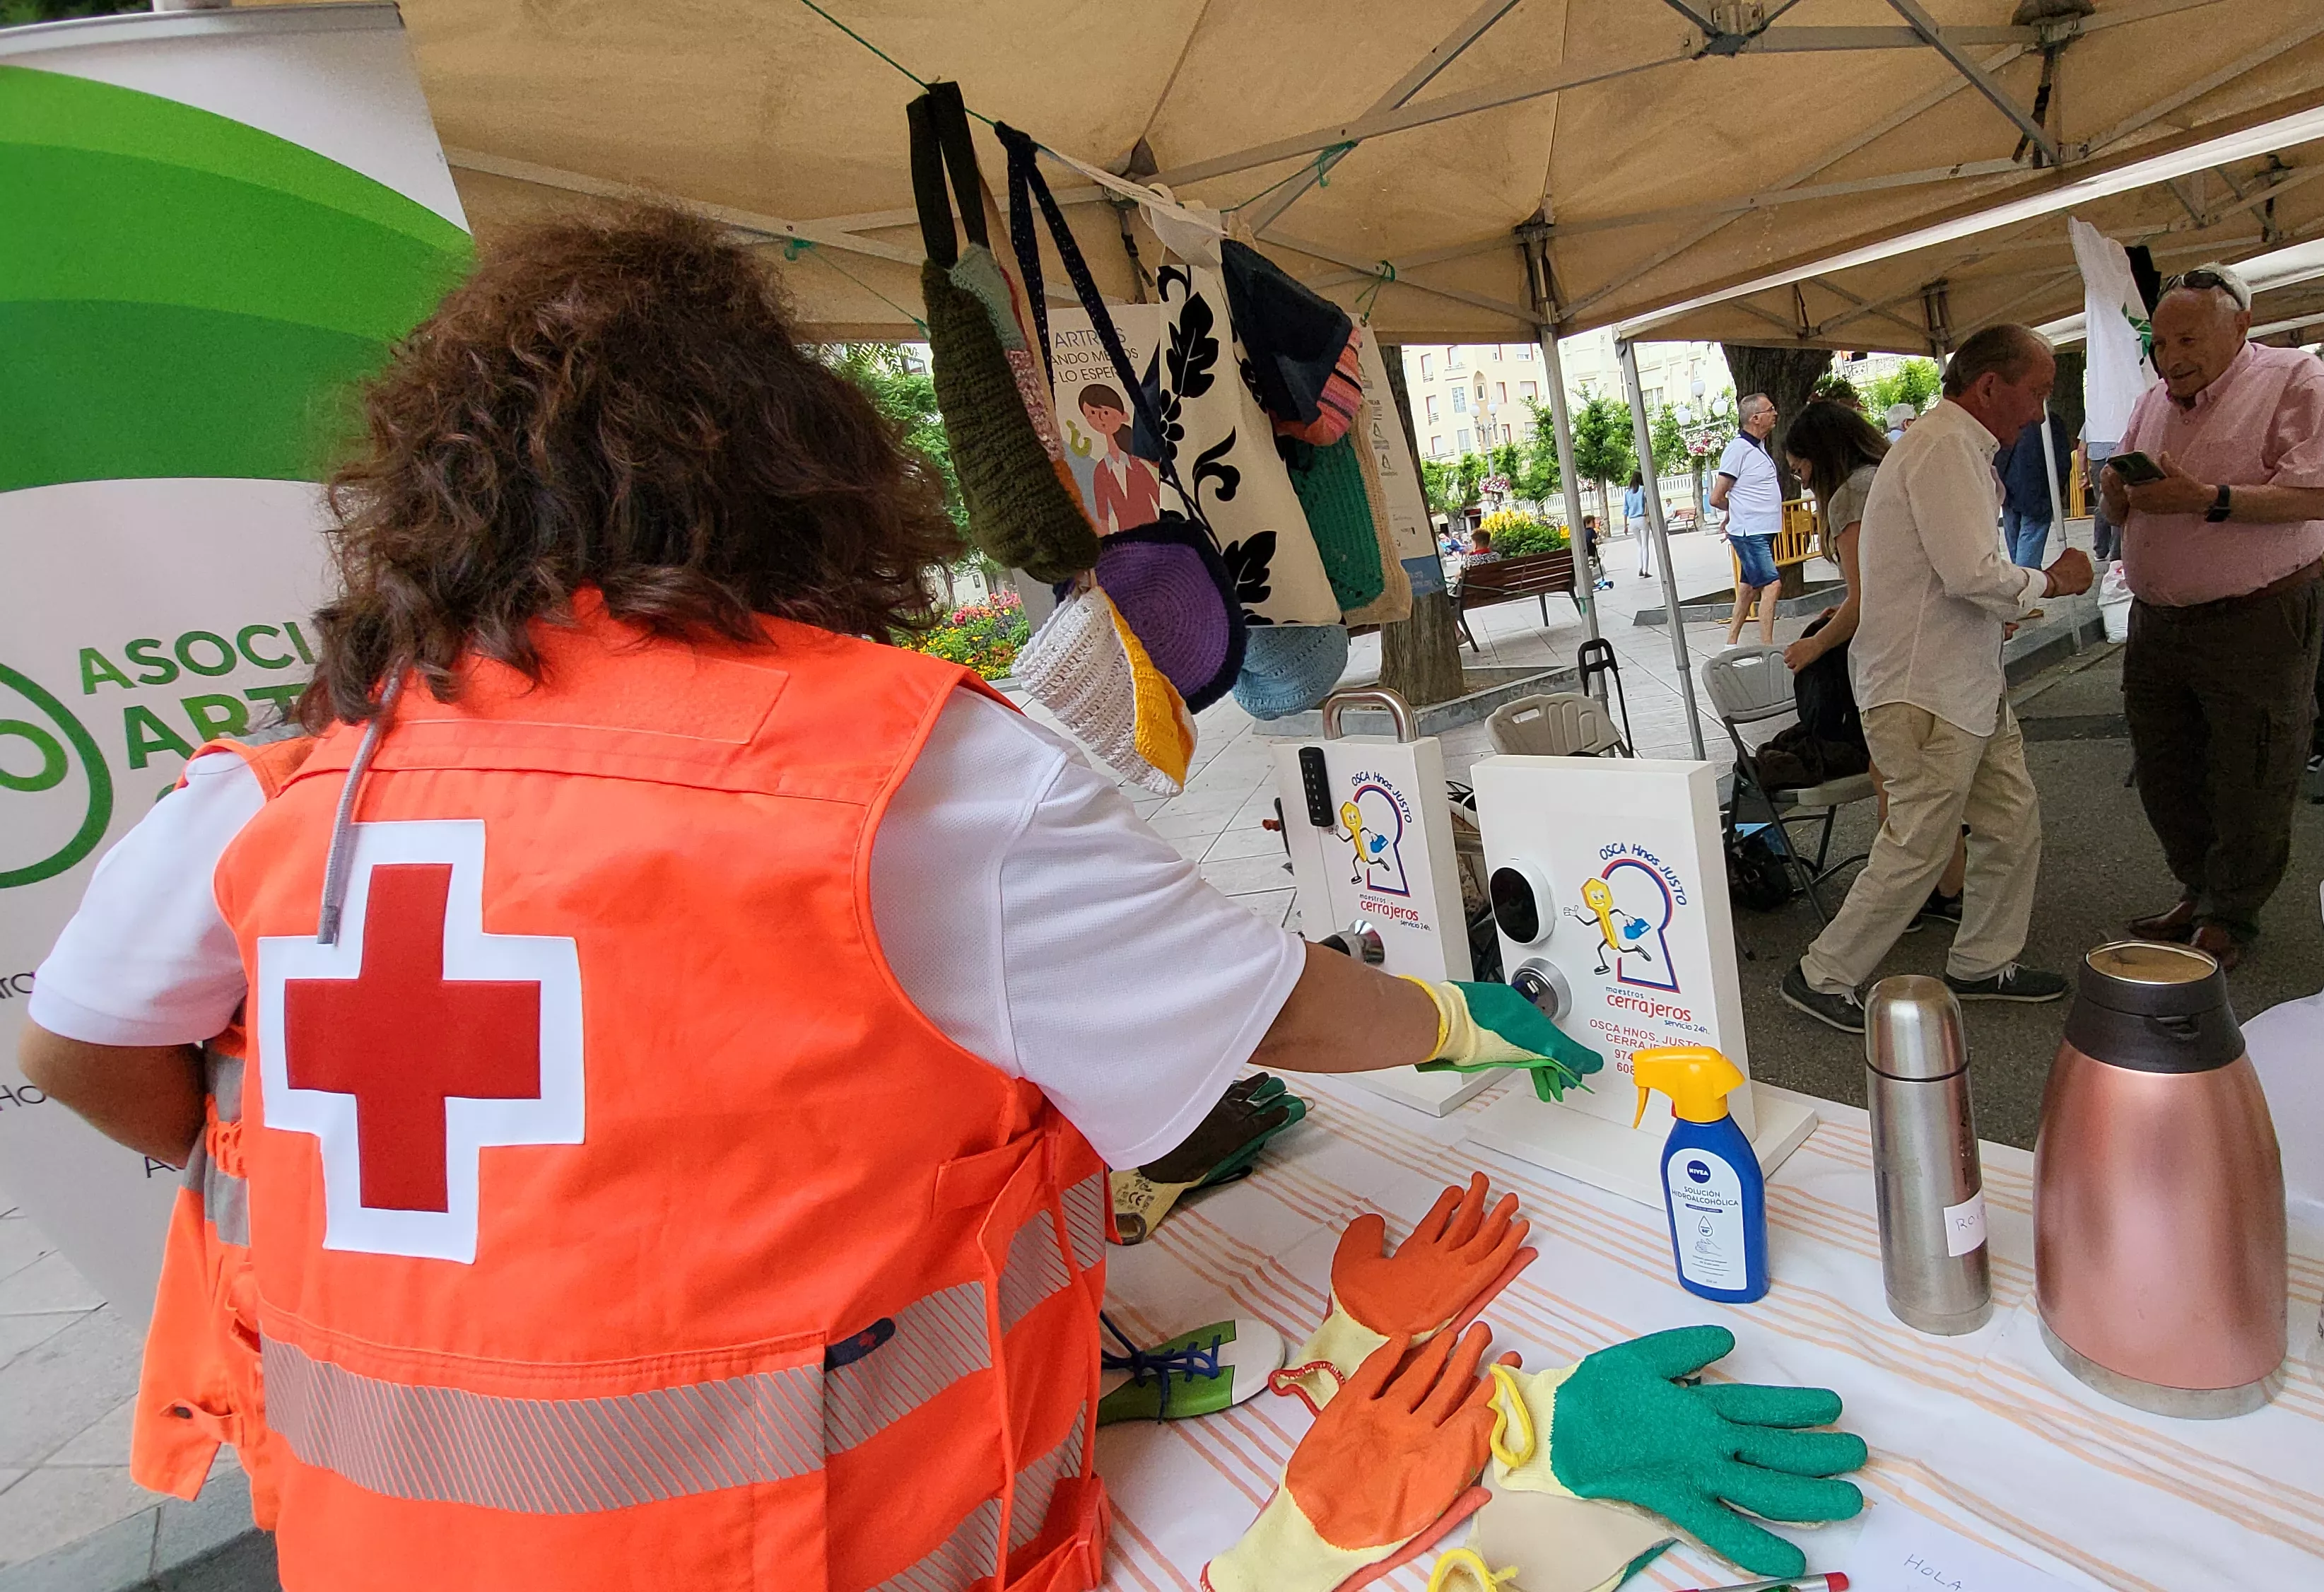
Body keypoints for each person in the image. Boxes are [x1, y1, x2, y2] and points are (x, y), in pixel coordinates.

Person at [14, 209, 1599, 1592]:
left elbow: (75, 1047)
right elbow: (1277, 1006)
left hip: (372, 1550)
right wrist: (1453, 1012)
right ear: (794, 470)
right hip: (818, 1545)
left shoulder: (286, 785)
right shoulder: (909, 773)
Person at [1779, 325, 2094, 1033]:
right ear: (1989, 386)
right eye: (2036, 391)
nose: (2040, 411)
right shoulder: (1944, 446)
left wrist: (2010, 604)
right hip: (1926, 688)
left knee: (2009, 818)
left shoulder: (1946, 447)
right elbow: (1970, 572)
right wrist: (2051, 579)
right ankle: (1821, 973)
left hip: (1957, 681)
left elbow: (1947, 576)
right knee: (1921, 839)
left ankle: (1983, 960)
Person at [2099, 263, 2324, 972]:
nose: (2170, 354)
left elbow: (2314, 495)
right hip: (2158, 619)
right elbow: (2122, 507)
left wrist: (2206, 497)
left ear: (2239, 325)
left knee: (2253, 765)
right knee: (2165, 765)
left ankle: (2231, 911)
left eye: (2187, 338)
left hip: (2255, 614)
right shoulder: (2151, 401)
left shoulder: (2296, 378)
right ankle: (2197, 887)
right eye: (2161, 341)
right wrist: (2116, 490)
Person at [1782, 401, 1967, 922]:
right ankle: (1950, 889)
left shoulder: (1852, 497)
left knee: (1896, 782)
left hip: (1897, 663)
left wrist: (1816, 644)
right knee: (1933, 788)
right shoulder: (1892, 473)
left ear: (1819, 456)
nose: (1801, 481)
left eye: (1800, 469)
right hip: (1942, 651)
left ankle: (1907, 901)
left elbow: (1870, 601)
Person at [1711, 392, 1784, 645]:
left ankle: (1730, 643)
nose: (1775, 413)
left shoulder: (1758, 447)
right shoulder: (1738, 449)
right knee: (1772, 586)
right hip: (1750, 532)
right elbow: (1716, 496)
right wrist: (1735, 511)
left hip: (1762, 529)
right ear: (1755, 418)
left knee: (1747, 589)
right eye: (1770, 409)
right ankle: (1767, 647)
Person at [1075, 382, 1158, 533]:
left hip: (1155, 535)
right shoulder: (1100, 471)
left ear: (1123, 415)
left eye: (1105, 413)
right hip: (1125, 542)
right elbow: (1103, 516)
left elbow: (1159, 497)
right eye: (1092, 414)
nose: (1100, 419)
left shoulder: (1140, 463)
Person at [1999, 416, 2068, 568]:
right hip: (2038, 491)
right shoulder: (2050, 422)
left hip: (2009, 489)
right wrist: (2058, 489)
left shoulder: (2007, 419)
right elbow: (2062, 461)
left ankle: (2019, 581)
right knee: (2029, 544)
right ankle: (2024, 584)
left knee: (2016, 544)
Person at [1625, 469, 1656, 578]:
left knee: (1639, 545)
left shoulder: (1628, 493)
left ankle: (1639, 568)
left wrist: (1625, 525)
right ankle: (1645, 570)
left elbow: (1625, 509)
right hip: (1642, 519)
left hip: (1632, 521)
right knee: (1645, 546)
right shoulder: (1643, 489)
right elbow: (1649, 504)